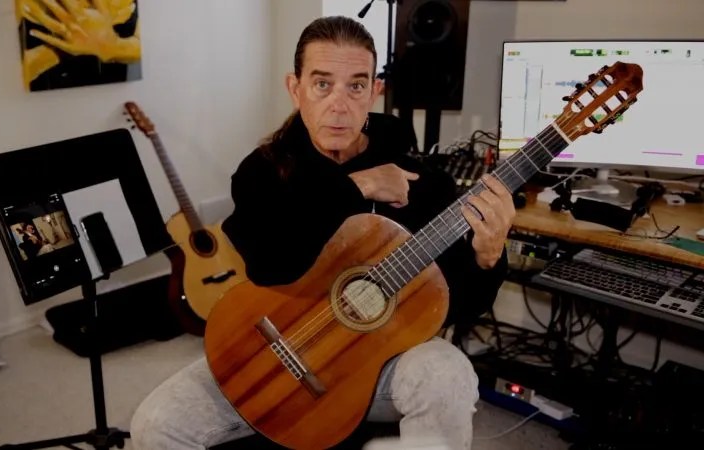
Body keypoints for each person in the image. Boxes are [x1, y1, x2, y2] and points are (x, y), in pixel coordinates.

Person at [130, 16, 514, 450]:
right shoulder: (262, 173)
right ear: (295, 89)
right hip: (272, 346)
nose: (339, 103)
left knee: (449, 374)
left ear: (375, 91)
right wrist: (359, 186)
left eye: (355, 86)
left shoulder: (420, 182)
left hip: (374, 366)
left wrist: (487, 257)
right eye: (322, 84)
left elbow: (456, 306)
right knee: (155, 425)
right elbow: (275, 263)